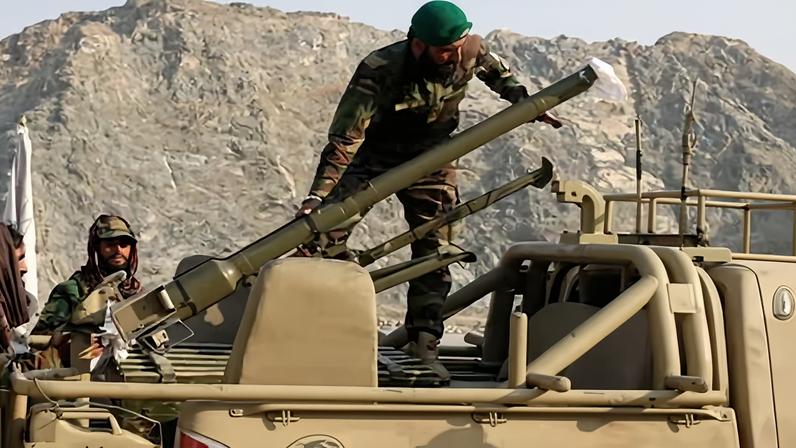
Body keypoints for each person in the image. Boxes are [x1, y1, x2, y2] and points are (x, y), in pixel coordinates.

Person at [296, 1, 562, 379]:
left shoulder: (470, 47)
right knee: (321, 235)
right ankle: (301, 329)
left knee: (435, 252)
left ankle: (424, 342)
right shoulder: (380, 68)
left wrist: (528, 103)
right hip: (377, 156)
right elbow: (345, 137)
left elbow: (498, 75)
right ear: (418, 43)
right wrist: (317, 197)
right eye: (443, 50)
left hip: (434, 156)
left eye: (457, 47)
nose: (452, 55)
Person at [34, 214, 141, 333]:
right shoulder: (72, 291)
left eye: (124, 244)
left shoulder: (137, 293)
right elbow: (39, 340)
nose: (118, 250)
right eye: (110, 244)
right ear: (96, 248)